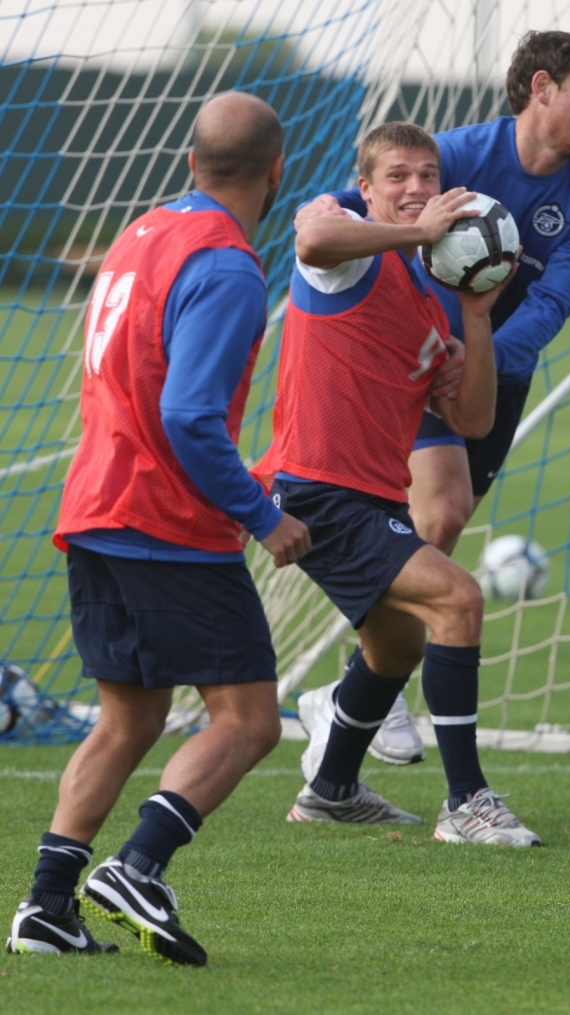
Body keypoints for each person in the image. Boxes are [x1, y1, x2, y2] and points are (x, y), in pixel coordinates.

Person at [6, 92, 310, 966]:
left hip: (94, 509)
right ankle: (139, 866)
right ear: (277, 172)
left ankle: (45, 907)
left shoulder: (138, 235)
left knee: (127, 720)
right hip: (166, 523)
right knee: (250, 721)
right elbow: (186, 415)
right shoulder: (227, 264)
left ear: (188, 161)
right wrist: (262, 515)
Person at [295, 29, 570, 764]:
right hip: (409, 356)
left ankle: (346, 703)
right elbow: (352, 209)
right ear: (540, 89)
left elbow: (548, 309)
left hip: (486, 373)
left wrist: (472, 360)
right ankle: (410, 741)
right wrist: (315, 214)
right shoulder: (457, 154)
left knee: (441, 527)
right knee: (437, 512)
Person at [253, 120, 539, 848]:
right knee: (459, 597)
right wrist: (416, 234)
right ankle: (466, 801)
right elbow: (313, 242)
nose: (416, 190)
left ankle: (331, 789)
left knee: (396, 645)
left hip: (370, 496)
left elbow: (471, 420)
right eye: (398, 178)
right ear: (367, 187)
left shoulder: (430, 293)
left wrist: (473, 318)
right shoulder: (344, 250)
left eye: (427, 178)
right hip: (319, 489)